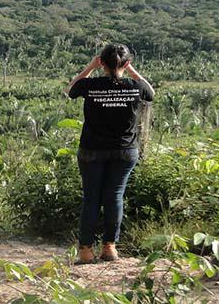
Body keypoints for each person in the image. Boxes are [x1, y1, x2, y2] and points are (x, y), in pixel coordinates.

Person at [63, 43, 154, 263]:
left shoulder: (90, 84)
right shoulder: (135, 86)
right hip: (124, 151)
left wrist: (90, 67)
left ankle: (85, 250)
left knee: (91, 198)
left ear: (101, 63)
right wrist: (131, 70)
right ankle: (110, 247)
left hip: (92, 150)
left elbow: (70, 90)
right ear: (126, 63)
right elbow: (151, 93)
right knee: (114, 197)